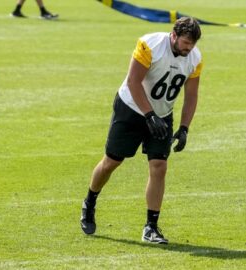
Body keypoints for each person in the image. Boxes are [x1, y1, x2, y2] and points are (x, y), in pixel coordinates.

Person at [80, 17, 203, 244]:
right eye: (186, 42)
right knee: (112, 161)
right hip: (132, 108)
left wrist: (185, 127)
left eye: (192, 44)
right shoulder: (150, 45)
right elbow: (133, 82)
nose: (189, 48)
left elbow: (191, 95)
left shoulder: (195, 58)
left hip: (162, 113)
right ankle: (90, 201)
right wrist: (148, 115)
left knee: (159, 166)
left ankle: (151, 227)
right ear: (174, 35)